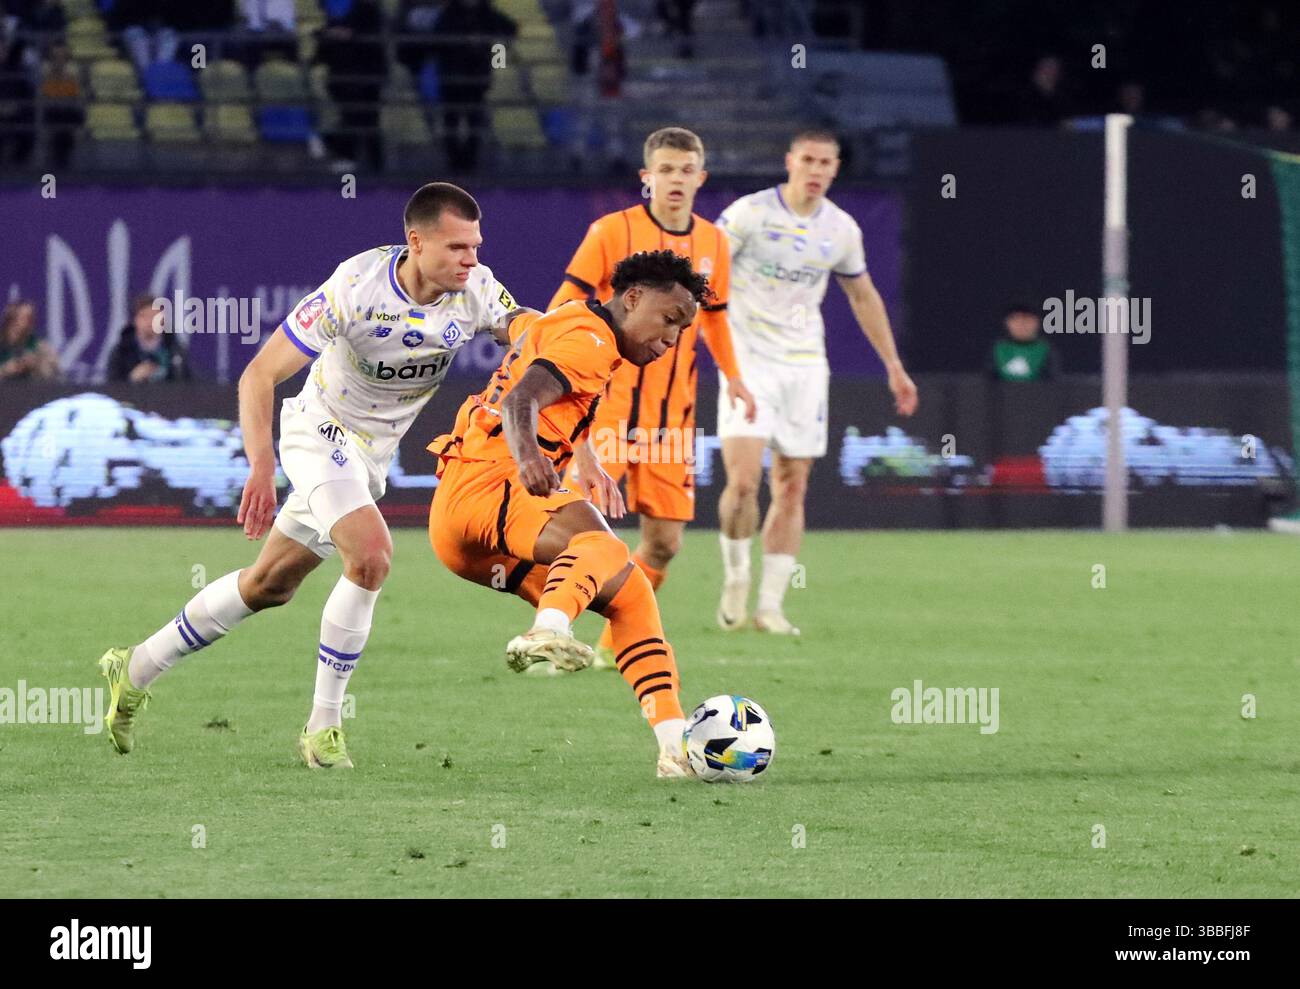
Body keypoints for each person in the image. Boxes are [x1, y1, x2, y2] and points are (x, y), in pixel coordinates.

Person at [96, 183, 528, 769]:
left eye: (476, 247)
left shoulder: (475, 289)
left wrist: (566, 334)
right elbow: (258, 375)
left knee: (269, 585)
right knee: (372, 554)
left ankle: (138, 665)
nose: (471, 260)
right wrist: (261, 467)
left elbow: (526, 329)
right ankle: (324, 728)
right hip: (317, 432)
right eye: (457, 247)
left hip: (368, 459)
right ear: (416, 241)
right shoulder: (355, 286)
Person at [428, 250, 707, 777]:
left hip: (460, 529)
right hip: (492, 485)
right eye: (669, 319)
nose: (671, 339)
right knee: (602, 546)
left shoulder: (563, 321)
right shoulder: (592, 342)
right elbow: (519, 403)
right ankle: (547, 630)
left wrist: (586, 457)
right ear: (631, 297)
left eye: (682, 330)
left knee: (630, 594)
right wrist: (531, 458)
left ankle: (675, 747)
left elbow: (512, 329)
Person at [547, 126, 756, 667]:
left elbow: (715, 322)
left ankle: (612, 643)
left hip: (672, 419)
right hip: (608, 409)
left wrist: (734, 377)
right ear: (647, 178)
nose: (676, 180)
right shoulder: (611, 232)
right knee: (580, 529)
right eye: (665, 170)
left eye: (686, 170)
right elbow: (563, 305)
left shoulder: (714, 243)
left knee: (663, 543)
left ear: (701, 178)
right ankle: (552, 630)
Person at [714, 129, 917, 635]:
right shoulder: (749, 214)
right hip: (748, 362)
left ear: (835, 168)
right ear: (790, 161)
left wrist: (893, 364)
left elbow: (863, 296)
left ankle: (770, 606)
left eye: (826, 162)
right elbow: (708, 271)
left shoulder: (842, 229)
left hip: (805, 366)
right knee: (742, 483)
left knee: (793, 483)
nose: (817, 169)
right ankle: (735, 577)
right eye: (808, 159)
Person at [429, 0, 517, 173]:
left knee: (474, 120)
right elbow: (437, 40)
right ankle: (454, 163)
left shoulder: (488, 14)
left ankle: (470, 163)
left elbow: (511, 29)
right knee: (451, 121)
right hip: (451, 78)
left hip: (476, 79)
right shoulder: (449, 14)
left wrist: (491, 46)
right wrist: (463, 42)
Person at [109, 293, 191, 383]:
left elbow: (189, 386)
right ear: (134, 320)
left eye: (154, 316)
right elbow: (111, 387)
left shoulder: (176, 350)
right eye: (144, 316)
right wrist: (132, 379)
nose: (150, 321)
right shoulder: (121, 353)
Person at [989, 304, 1060, 381]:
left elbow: (1052, 384)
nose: (1021, 325)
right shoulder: (998, 349)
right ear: (1007, 323)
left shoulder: (1046, 350)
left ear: (1037, 323)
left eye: (1027, 320)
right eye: (1016, 320)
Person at [0, 299, 60, 380]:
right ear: (10, 319)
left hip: (29, 390)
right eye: (25, 317)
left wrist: (37, 365)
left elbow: (56, 376)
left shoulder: (39, 346)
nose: (30, 322)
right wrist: (5, 370)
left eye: (31, 317)